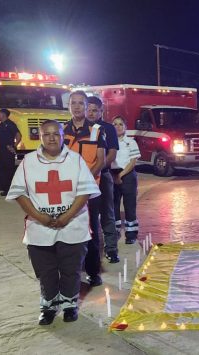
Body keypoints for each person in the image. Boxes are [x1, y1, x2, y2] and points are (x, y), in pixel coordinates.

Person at [6, 120, 100, 325]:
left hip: (73, 225)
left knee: (71, 269)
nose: (51, 138)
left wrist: (66, 216)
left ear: (62, 136)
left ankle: (69, 305)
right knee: (46, 271)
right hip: (40, 227)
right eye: (46, 134)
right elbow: (19, 194)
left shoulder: (75, 160)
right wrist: (41, 217)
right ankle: (48, 305)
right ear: (40, 137)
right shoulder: (28, 161)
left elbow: (85, 192)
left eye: (55, 134)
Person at [63, 91, 106, 287]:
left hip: (89, 188)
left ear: (87, 106)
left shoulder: (97, 130)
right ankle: (72, 271)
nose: (78, 106)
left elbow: (101, 160)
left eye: (81, 103)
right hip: (67, 190)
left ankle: (93, 271)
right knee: (70, 230)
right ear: (69, 105)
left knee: (91, 230)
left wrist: (85, 180)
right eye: (74, 103)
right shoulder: (62, 131)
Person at [85, 96, 120, 263]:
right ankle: (90, 252)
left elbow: (112, 153)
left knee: (107, 214)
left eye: (94, 110)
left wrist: (97, 169)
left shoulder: (108, 129)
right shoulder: (80, 128)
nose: (90, 113)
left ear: (101, 111)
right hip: (82, 180)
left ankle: (111, 249)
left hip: (103, 177)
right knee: (87, 215)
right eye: (88, 109)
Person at [111, 116, 141, 244]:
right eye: (115, 124)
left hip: (127, 175)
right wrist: (114, 176)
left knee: (129, 205)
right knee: (113, 205)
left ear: (125, 127)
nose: (117, 127)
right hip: (112, 174)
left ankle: (131, 234)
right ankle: (115, 230)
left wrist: (121, 175)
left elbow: (133, 161)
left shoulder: (131, 142)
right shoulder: (108, 142)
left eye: (120, 124)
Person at [0, 109, 21, 196]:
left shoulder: (10, 124)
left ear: (3, 115)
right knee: (0, 169)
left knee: (8, 170)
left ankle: (9, 189)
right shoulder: (1, 124)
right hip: (1, 149)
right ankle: (4, 187)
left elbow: (18, 135)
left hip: (7, 150)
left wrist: (14, 146)